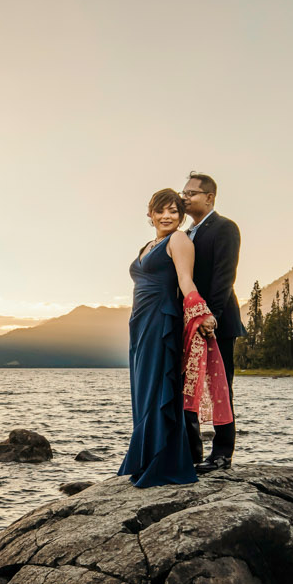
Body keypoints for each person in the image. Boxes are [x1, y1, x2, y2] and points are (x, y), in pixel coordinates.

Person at [119, 188, 203, 488]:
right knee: (143, 390)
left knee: (158, 387)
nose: (167, 216)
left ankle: (164, 463)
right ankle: (145, 460)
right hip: (139, 323)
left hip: (160, 319)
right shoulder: (148, 244)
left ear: (181, 216)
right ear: (150, 213)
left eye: (174, 211)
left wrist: (199, 309)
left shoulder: (178, 240)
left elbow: (185, 278)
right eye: (161, 210)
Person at [180, 172, 243, 471]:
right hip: (187, 323)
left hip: (216, 322)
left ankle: (222, 455)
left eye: (191, 193)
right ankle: (192, 453)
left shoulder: (225, 228)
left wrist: (211, 317)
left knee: (220, 387)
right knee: (187, 385)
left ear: (210, 197)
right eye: (184, 192)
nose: (185, 197)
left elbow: (224, 276)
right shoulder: (184, 234)